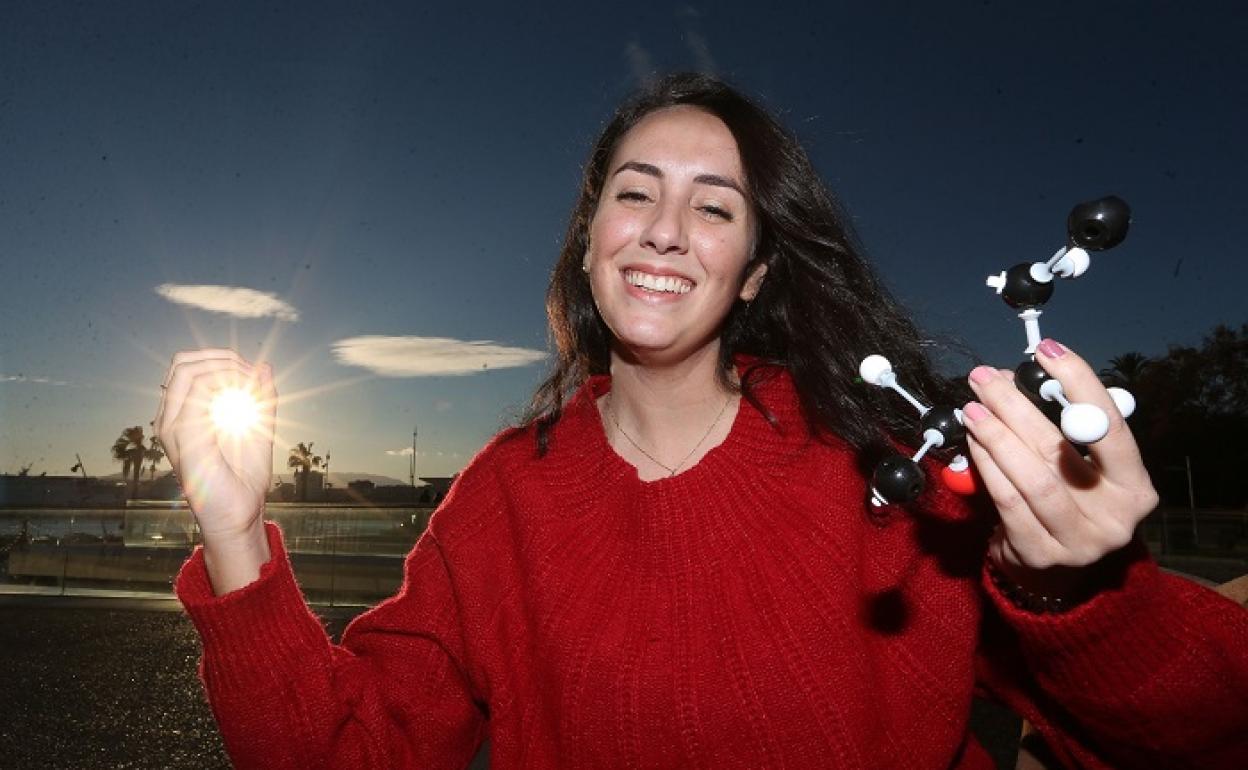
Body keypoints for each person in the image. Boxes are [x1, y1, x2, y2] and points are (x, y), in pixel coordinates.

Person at [156, 73, 1247, 769]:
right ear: (591, 241)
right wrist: (237, 534)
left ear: (757, 272)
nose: (668, 230)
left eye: (715, 205)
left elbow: (1195, 728)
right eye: (636, 193)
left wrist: (1078, 591)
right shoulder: (502, 497)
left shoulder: (891, 463)